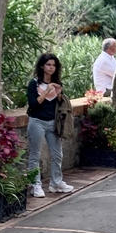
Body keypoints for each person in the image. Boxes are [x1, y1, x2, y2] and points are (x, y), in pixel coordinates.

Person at [27, 53, 75, 198]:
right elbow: (34, 105)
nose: (51, 67)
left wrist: (59, 95)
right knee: (35, 155)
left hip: (53, 123)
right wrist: (47, 90)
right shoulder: (34, 83)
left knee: (57, 154)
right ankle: (35, 185)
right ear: (42, 66)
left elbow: (60, 106)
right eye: (48, 64)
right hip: (37, 122)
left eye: (54, 65)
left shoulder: (58, 83)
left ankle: (56, 183)